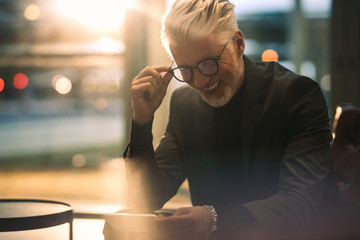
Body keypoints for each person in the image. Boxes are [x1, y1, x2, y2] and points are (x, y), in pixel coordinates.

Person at [104, 0, 340, 239]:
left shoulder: (297, 96)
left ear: (238, 44)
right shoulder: (184, 104)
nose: (200, 81)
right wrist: (142, 122)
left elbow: (299, 205)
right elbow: (147, 197)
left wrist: (213, 219)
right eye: (185, 69)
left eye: (209, 63)